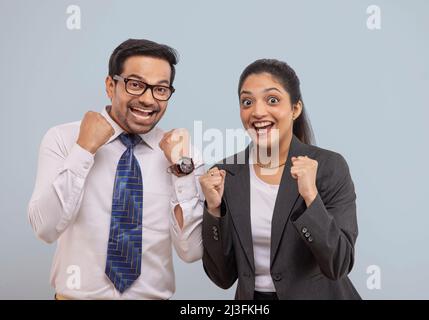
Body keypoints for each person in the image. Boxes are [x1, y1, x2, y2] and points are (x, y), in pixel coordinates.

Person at [28, 39, 204, 299]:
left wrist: (182, 171)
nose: (148, 99)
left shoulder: (183, 156)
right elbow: (45, 228)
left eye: (161, 89)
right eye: (135, 85)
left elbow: (192, 251)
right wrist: (84, 150)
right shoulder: (64, 139)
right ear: (111, 85)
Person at [200, 59, 361, 300]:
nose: (257, 112)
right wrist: (213, 210)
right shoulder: (225, 174)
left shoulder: (329, 167)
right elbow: (222, 277)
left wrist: (311, 198)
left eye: (272, 100)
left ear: (295, 109)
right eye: (247, 102)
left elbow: (338, 264)